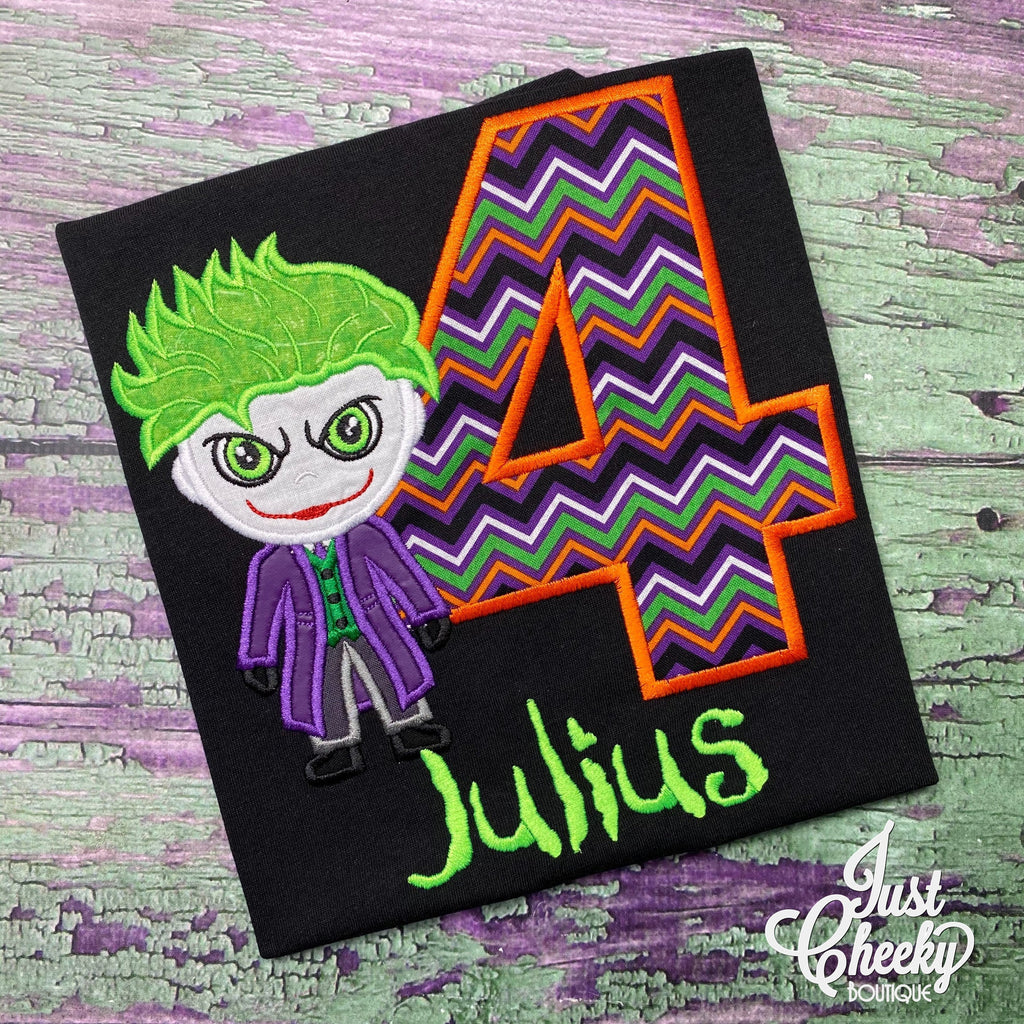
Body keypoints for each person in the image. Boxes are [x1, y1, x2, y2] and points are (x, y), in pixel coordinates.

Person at [111, 233, 451, 783]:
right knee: (321, 689)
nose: (307, 476)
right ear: (192, 477)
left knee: (391, 670)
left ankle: (407, 724)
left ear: (406, 415)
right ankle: (335, 746)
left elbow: (399, 574)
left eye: (350, 430)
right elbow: (265, 613)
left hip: (375, 622)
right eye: (248, 459)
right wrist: (258, 658)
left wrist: (429, 611)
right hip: (313, 639)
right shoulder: (273, 563)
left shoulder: (367, 537)